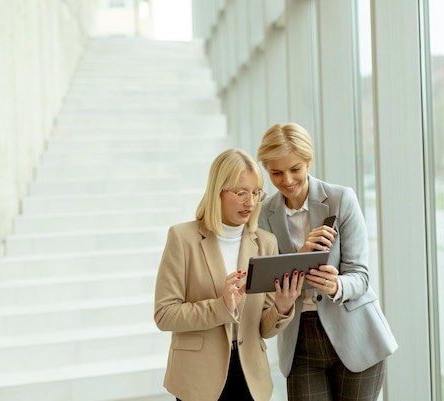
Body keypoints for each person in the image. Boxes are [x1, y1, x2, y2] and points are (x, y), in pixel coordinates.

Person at [256, 122, 398, 401]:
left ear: (309, 162)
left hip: (355, 334)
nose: (286, 180)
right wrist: (301, 258)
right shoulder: (263, 215)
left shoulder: (340, 199)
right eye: (276, 172)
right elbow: (265, 280)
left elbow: (360, 275)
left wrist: (336, 285)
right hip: (300, 342)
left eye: (295, 169)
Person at [154, 148, 304, 401]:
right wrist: (221, 306)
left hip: (250, 377)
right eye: (241, 193)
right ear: (218, 192)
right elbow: (164, 315)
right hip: (198, 379)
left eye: (256, 192)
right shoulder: (183, 238)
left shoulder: (266, 243)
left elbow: (263, 330)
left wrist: (282, 308)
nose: (251, 202)